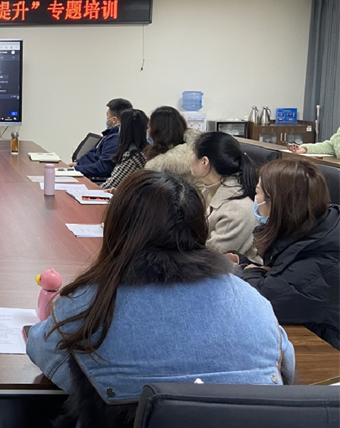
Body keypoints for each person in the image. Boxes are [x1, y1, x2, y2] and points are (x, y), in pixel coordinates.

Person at [27, 171, 294, 428]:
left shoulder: (90, 303)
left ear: (116, 228)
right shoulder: (252, 301)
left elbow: (45, 352)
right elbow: (285, 369)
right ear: (199, 229)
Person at [232, 158, 339, 350]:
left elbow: (266, 299)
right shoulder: (308, 226)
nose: (255, 200)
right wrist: (243, 263)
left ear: (277, 202)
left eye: (257, 192)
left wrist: (250, 271)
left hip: (326, 348)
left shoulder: (324, 257)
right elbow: (281, 278)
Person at [191, 131, 259, 259]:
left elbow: (212, 257)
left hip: (230, 269)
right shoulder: (209, 190)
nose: (190, 158)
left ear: (204, 162)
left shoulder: (237, 209)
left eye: (193, 153)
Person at [71, 98, 133, 180]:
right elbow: (94, 154)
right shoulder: (111, 134)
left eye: (107, 116)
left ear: (114, 120)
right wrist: (77, 163)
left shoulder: (116, 138)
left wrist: (75, 169)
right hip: (89, 172)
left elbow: (102, 168)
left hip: (97, 180)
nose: (106, 119)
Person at [144, 105, 201, 185]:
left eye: (150, 127)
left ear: (157, 131)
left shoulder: (157, 166)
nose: (148, 130)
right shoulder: (198, 153)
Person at [100, 109, 148, 190]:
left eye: (120, 125)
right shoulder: (143, 150)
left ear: (125, 129)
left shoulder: (132, 156)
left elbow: (110, 185)